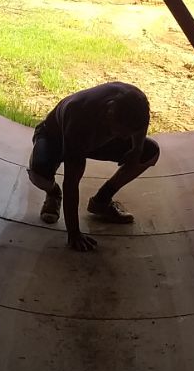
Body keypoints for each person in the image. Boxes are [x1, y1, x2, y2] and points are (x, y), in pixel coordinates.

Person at [27, 81, 159, 251]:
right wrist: (73, 233)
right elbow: (71, 183)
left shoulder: (137, 103)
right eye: (118, 132)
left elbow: (141, 124)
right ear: (109, 112)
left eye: (128, 133)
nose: (125, 138)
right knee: (39, 174)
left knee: (150, 152)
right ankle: (53, 193)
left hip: (97, 140)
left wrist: (137, 149)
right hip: (54, 137)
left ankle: (102, 201)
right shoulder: (79, 118)